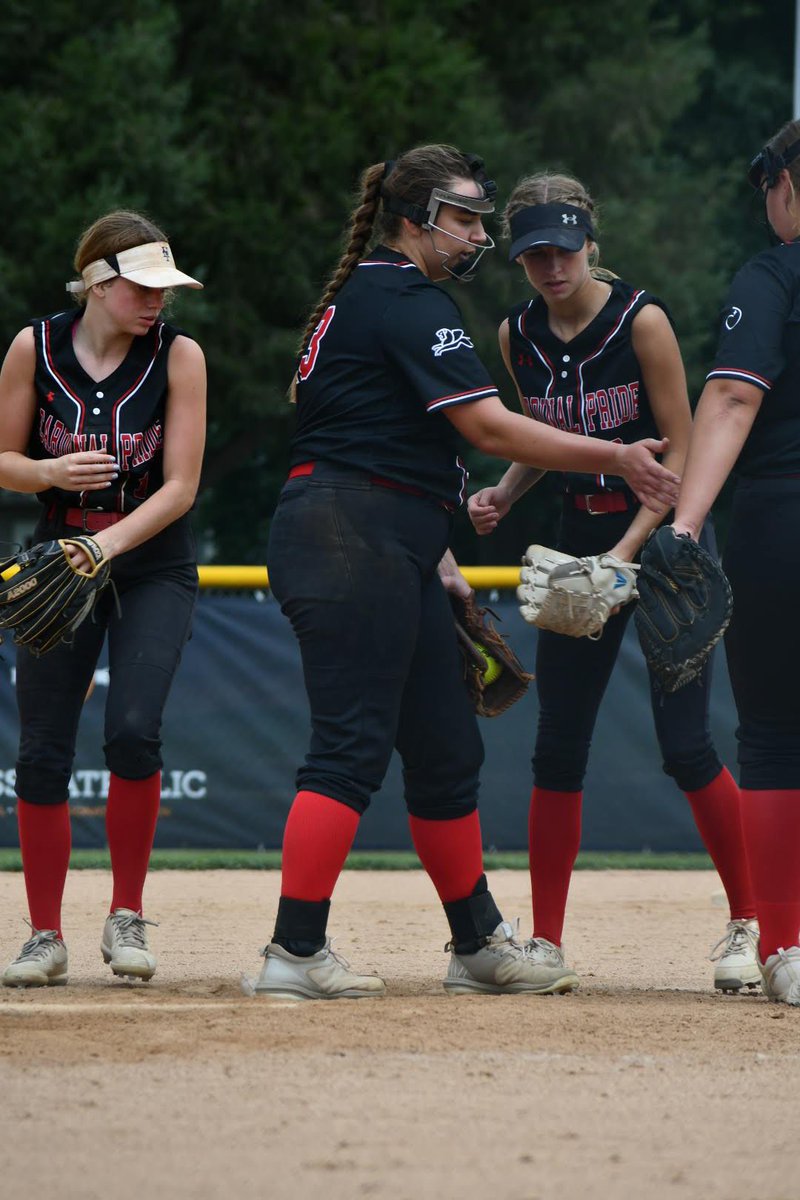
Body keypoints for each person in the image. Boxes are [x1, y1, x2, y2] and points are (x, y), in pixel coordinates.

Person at [252, 144, 680, 1001]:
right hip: (349, 537)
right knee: (348, 750)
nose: (480, 232)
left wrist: (435, 553)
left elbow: (381, 439)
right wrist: (617, 456)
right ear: (416, 221)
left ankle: (477, 942)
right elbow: (488, 428)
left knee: (446, 745)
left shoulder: (368, 298)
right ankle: (294, 950)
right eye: (466, 216)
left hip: (381, 536)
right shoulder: (407, 300)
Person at [468, 172, 757, 994]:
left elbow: (678, 446)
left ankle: (751, 922)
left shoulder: (644, 321)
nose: (551, 267)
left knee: (687, 745)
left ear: (591, 242)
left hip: (666, 544)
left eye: (563, 249)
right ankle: (548, 942)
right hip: (581, 537)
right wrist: (505, 488)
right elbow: (545, 435)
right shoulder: (518, 331)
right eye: (533, 255)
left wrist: (626, 554)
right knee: (558, 745)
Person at [0, 210, 206, 987]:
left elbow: (182, 486)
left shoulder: (179, 355)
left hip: (150, 563)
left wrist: (107, 546)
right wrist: (46, 476)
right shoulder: (35, 346)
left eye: (165, 288)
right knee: (41, 752)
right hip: (58, 557)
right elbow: (3, 459)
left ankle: (125, 915)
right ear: (97, 283)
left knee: (131, 734)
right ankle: (44, 935)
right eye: (143, 287)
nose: (158, 301)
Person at [670, 121, 800, 1006]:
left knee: (774, 736)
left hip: (781, 517)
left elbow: (730, 396)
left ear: (784, 181)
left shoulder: (772, 275)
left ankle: (787, 948)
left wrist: (683, 526)